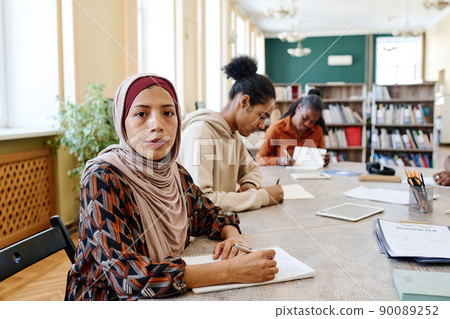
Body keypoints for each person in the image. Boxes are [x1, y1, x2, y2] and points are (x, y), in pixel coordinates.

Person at [66, 73, 278, 300]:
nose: (157, 125)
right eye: (141, 114)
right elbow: (125, 276)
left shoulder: (174, 173)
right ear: (122, 122)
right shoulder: (103, 177)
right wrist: (230, 271)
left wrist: (233, 236)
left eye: (168, 113)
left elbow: (212, 215)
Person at [178, 56, 283, 212]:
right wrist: (263, 196)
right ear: (244, 102)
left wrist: (250, 184)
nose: (261, 125)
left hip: (221, 223)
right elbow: (200, 201)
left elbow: (251, 169)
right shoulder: (201, 132)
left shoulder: (231, 134)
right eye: (261, 116)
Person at [255, 90, 330, 166]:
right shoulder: (276, 129)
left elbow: (320, 157)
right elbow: (259, 159)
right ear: (299, 107)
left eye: (312, 122)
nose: (307, 124)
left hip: (310, 175)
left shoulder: (317, 130)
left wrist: (324, 160)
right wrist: (278, 161)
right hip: (284, 175)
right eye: (305, 118)